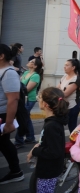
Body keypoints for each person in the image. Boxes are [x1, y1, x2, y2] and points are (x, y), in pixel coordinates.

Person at [27, 87, 69, 193]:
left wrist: (35, 151)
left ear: (45, 104)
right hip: (50, 168)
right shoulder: (53, 122)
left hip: (49, 170)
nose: (38, 99)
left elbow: (53, 152)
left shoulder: (52, 125)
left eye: (39, 98)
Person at [0, 44, 24, 184]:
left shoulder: (9, 73)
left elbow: (13, 99)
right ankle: (15, 171)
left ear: (1, 55)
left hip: (2, 114)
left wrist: (8, 123)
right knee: (3, 143)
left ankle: (16, 171)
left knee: (4, 143)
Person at [14, 58, 43, 148]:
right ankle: (30, 137)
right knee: (26, 118)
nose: (29, 62)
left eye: (32, 62)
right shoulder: (26, 73)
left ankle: (19, 140)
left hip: (29, 99)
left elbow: (26, 89)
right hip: (22, 99)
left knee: (22, 118)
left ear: (35, 66)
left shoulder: (35, 76)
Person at [57, 59, 80, 133]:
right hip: (63, 105)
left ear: (73, 67)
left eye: (67, 65)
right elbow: (57, 88)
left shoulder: (76, 79)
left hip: (72, 106)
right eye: (64, 65)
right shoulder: (64, 76)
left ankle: (75, 142)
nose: (64, 67)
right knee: (58, 124)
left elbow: (65, 94)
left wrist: (58, 92)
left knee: (72, 126)